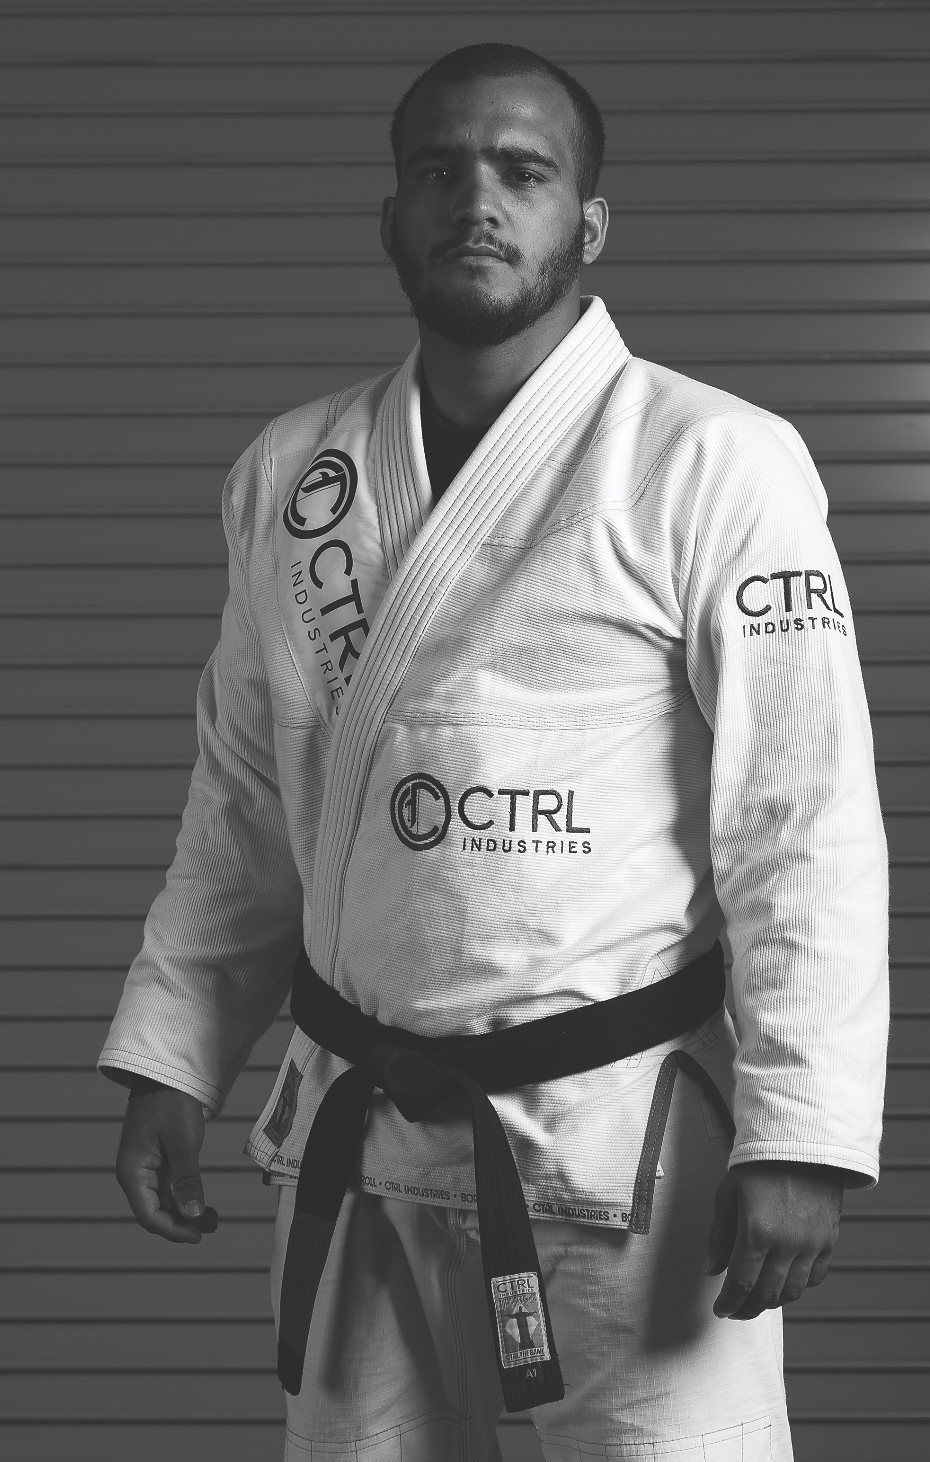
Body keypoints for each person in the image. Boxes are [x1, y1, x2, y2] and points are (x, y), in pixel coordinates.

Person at [99, 43, 888, 1462]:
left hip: (622, 1137)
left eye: (523, 173)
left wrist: (802, 1131)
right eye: (438, 172)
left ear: (589, 222)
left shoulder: (715, 459)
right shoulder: (293, 472)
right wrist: (175, 1052)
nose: (477, 202)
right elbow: (246, 796)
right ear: (390, 217)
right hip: (361, 1130)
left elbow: (801, 814)